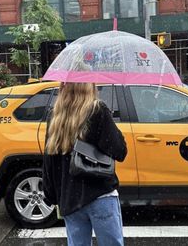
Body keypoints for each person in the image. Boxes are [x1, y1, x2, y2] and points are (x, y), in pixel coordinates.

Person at [42, 82, 127, 246]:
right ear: (89, 85)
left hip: (69, 197)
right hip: (100, 194)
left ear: (64, 87)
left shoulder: (55, 116)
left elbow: (49, 161)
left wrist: (52, 194)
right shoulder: (97, 110)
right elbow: (119, 151)